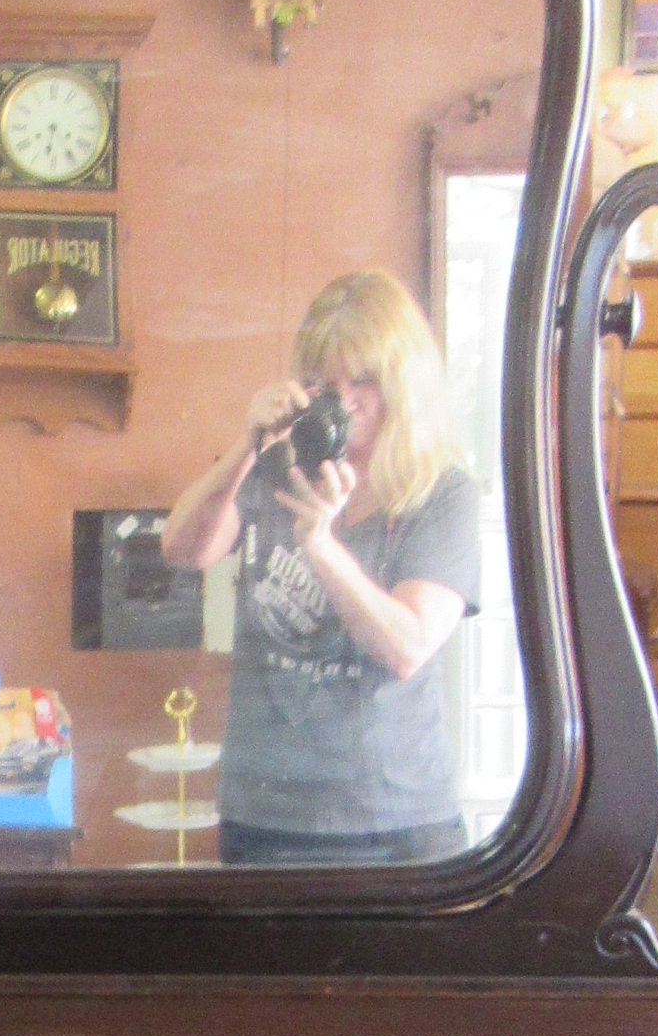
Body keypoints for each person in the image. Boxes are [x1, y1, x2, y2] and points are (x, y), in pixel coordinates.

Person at [163, 268, 481, 864]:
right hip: (265, 813)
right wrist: (248, 444)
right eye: (325, 383)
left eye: (364, 381)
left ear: (402, 382)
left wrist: (323, 545)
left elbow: (407, 647)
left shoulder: (443, 493)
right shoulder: (278, 466)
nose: (346, 402)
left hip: (393, 822)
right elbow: (184, 549)